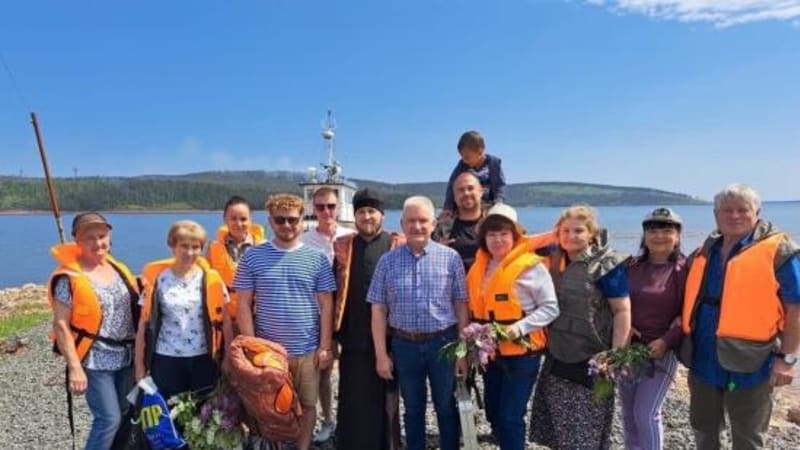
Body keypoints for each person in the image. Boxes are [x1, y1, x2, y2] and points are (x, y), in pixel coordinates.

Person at [681, 184, 800, 450]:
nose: (734, 215)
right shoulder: (706, 250)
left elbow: (795, 308)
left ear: (757, 212)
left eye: (742, 210)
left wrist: (787, 359)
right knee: (703, 427)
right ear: (716, 215)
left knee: (748, 436)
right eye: (727, 210)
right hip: (703, 355)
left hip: (753, 360)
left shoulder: (780, 250)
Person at [234, 193, 336, 450]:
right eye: (280, 220)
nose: (287, 225)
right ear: (270, 221)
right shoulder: (252, 257)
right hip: (268, 352)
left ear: (302, 220)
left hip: (307, 349)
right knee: (269, 406)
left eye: (292, 220)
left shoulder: (317, 259)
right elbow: (243, 303)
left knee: (308, 404)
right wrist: (251, 346)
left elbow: (327, 305)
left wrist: (325, 347)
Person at [368, 195, 469, 450]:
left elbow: (461, 305)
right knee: (412, 409)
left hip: (443, 343)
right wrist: (381, 355)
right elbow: (378, 309)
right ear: (402, 224)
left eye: (423, 220)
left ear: (433, 224)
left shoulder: (451, 258)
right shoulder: (387, 262)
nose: (417, 226)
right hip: (404, 345)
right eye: (411, 221)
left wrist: (462, 351)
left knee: (445, 406)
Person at [529, 204, 632, 450]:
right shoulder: (552, 259)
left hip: (592, 357)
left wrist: (617, 354)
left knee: (585, 431)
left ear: (592, 234)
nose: (571, 236)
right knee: (558, 430)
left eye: (578, 231)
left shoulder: (605, 264)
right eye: (565, 230)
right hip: (557, 354)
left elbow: (622, 310)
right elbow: (518, 243)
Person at [466, 203, 559, 450]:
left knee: (510, 416)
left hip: (522, 356)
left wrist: (518, 328)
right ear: (484, 237)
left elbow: (551, 308)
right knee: (493, 410)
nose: (497, 240)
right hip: (489, 354)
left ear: (515, 236)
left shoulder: (532, 266)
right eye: (492, 234)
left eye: (504, 234)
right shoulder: (479, 266)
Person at [49, 212, 140, 450]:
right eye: (90, 237)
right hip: (94, 359)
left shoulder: (118, 269)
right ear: (77, 240)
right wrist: (75, 368)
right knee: (108, 419)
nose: (98, 242)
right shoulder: (69, 278)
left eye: (102, 236)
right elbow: (61, 324)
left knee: (125, 412)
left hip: (126, 357)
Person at [333, 188, 403, 450]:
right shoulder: (344, 248)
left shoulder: (396, 245)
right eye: (361, 211)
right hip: (353, 337)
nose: (366, 216)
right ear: (355, 216)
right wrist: (332, 338)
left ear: (382, 215)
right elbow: (334, 293)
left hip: (389, 338)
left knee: (387, 400)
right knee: (353, 397)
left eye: (372, 211)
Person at [134, 220, 227, 402]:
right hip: (166, 359)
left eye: (196, 247)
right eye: (184, 246)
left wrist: (228, 360)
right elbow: (143, 326)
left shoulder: (212, 279)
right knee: (166, 413)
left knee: (203, 413)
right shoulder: (157, 280)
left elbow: (226, 323)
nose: (189, 252)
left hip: (204, 358)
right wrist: (139, 367)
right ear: (172, 245)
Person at [620, 207, 686, 450]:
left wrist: (667, 340)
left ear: (677, 236)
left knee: (646, 413)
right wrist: (624, 327)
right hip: (628, 349)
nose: (659, 236)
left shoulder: (684, 270)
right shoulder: (631, 266)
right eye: (653, 230)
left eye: (667, 230)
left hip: (662, 351)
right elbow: (614, 303)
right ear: (644, 236)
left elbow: (690, 313)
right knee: (628, 414)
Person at [301, 187, 355, 443]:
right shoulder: (304, 241)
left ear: (339, 207)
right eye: (320, 207)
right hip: (319, 315)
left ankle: (352, 418)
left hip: (350, 315)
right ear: (313, 209)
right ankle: (327, 420)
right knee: (323, 371)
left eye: (331, 206)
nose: (326, 211)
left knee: (353, 370)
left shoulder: (352, 236)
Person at [207, 195, 265, 342]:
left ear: (251, 220)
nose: (238, 223)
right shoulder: (212, 248)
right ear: (225, 219)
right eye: (233, 218)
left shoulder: (264, 247)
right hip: (224, 320)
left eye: (243, 219)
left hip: (256, 319)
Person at [442, 130, 506, 216]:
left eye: (467, 157)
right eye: (462, 157)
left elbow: (499, 185)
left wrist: (498, 201)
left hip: (489, 205)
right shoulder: (461, 166)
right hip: (467, 206)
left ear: (480, 152)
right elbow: (451, 187)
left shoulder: (492, 163)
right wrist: (448, 207)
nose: (464, 160)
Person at [433, 171, 485, 271]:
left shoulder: (494, 223)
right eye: (460, 190)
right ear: (454, 197)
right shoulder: (441, 228)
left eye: (470, 188)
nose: (466, 193)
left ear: (481, 191)